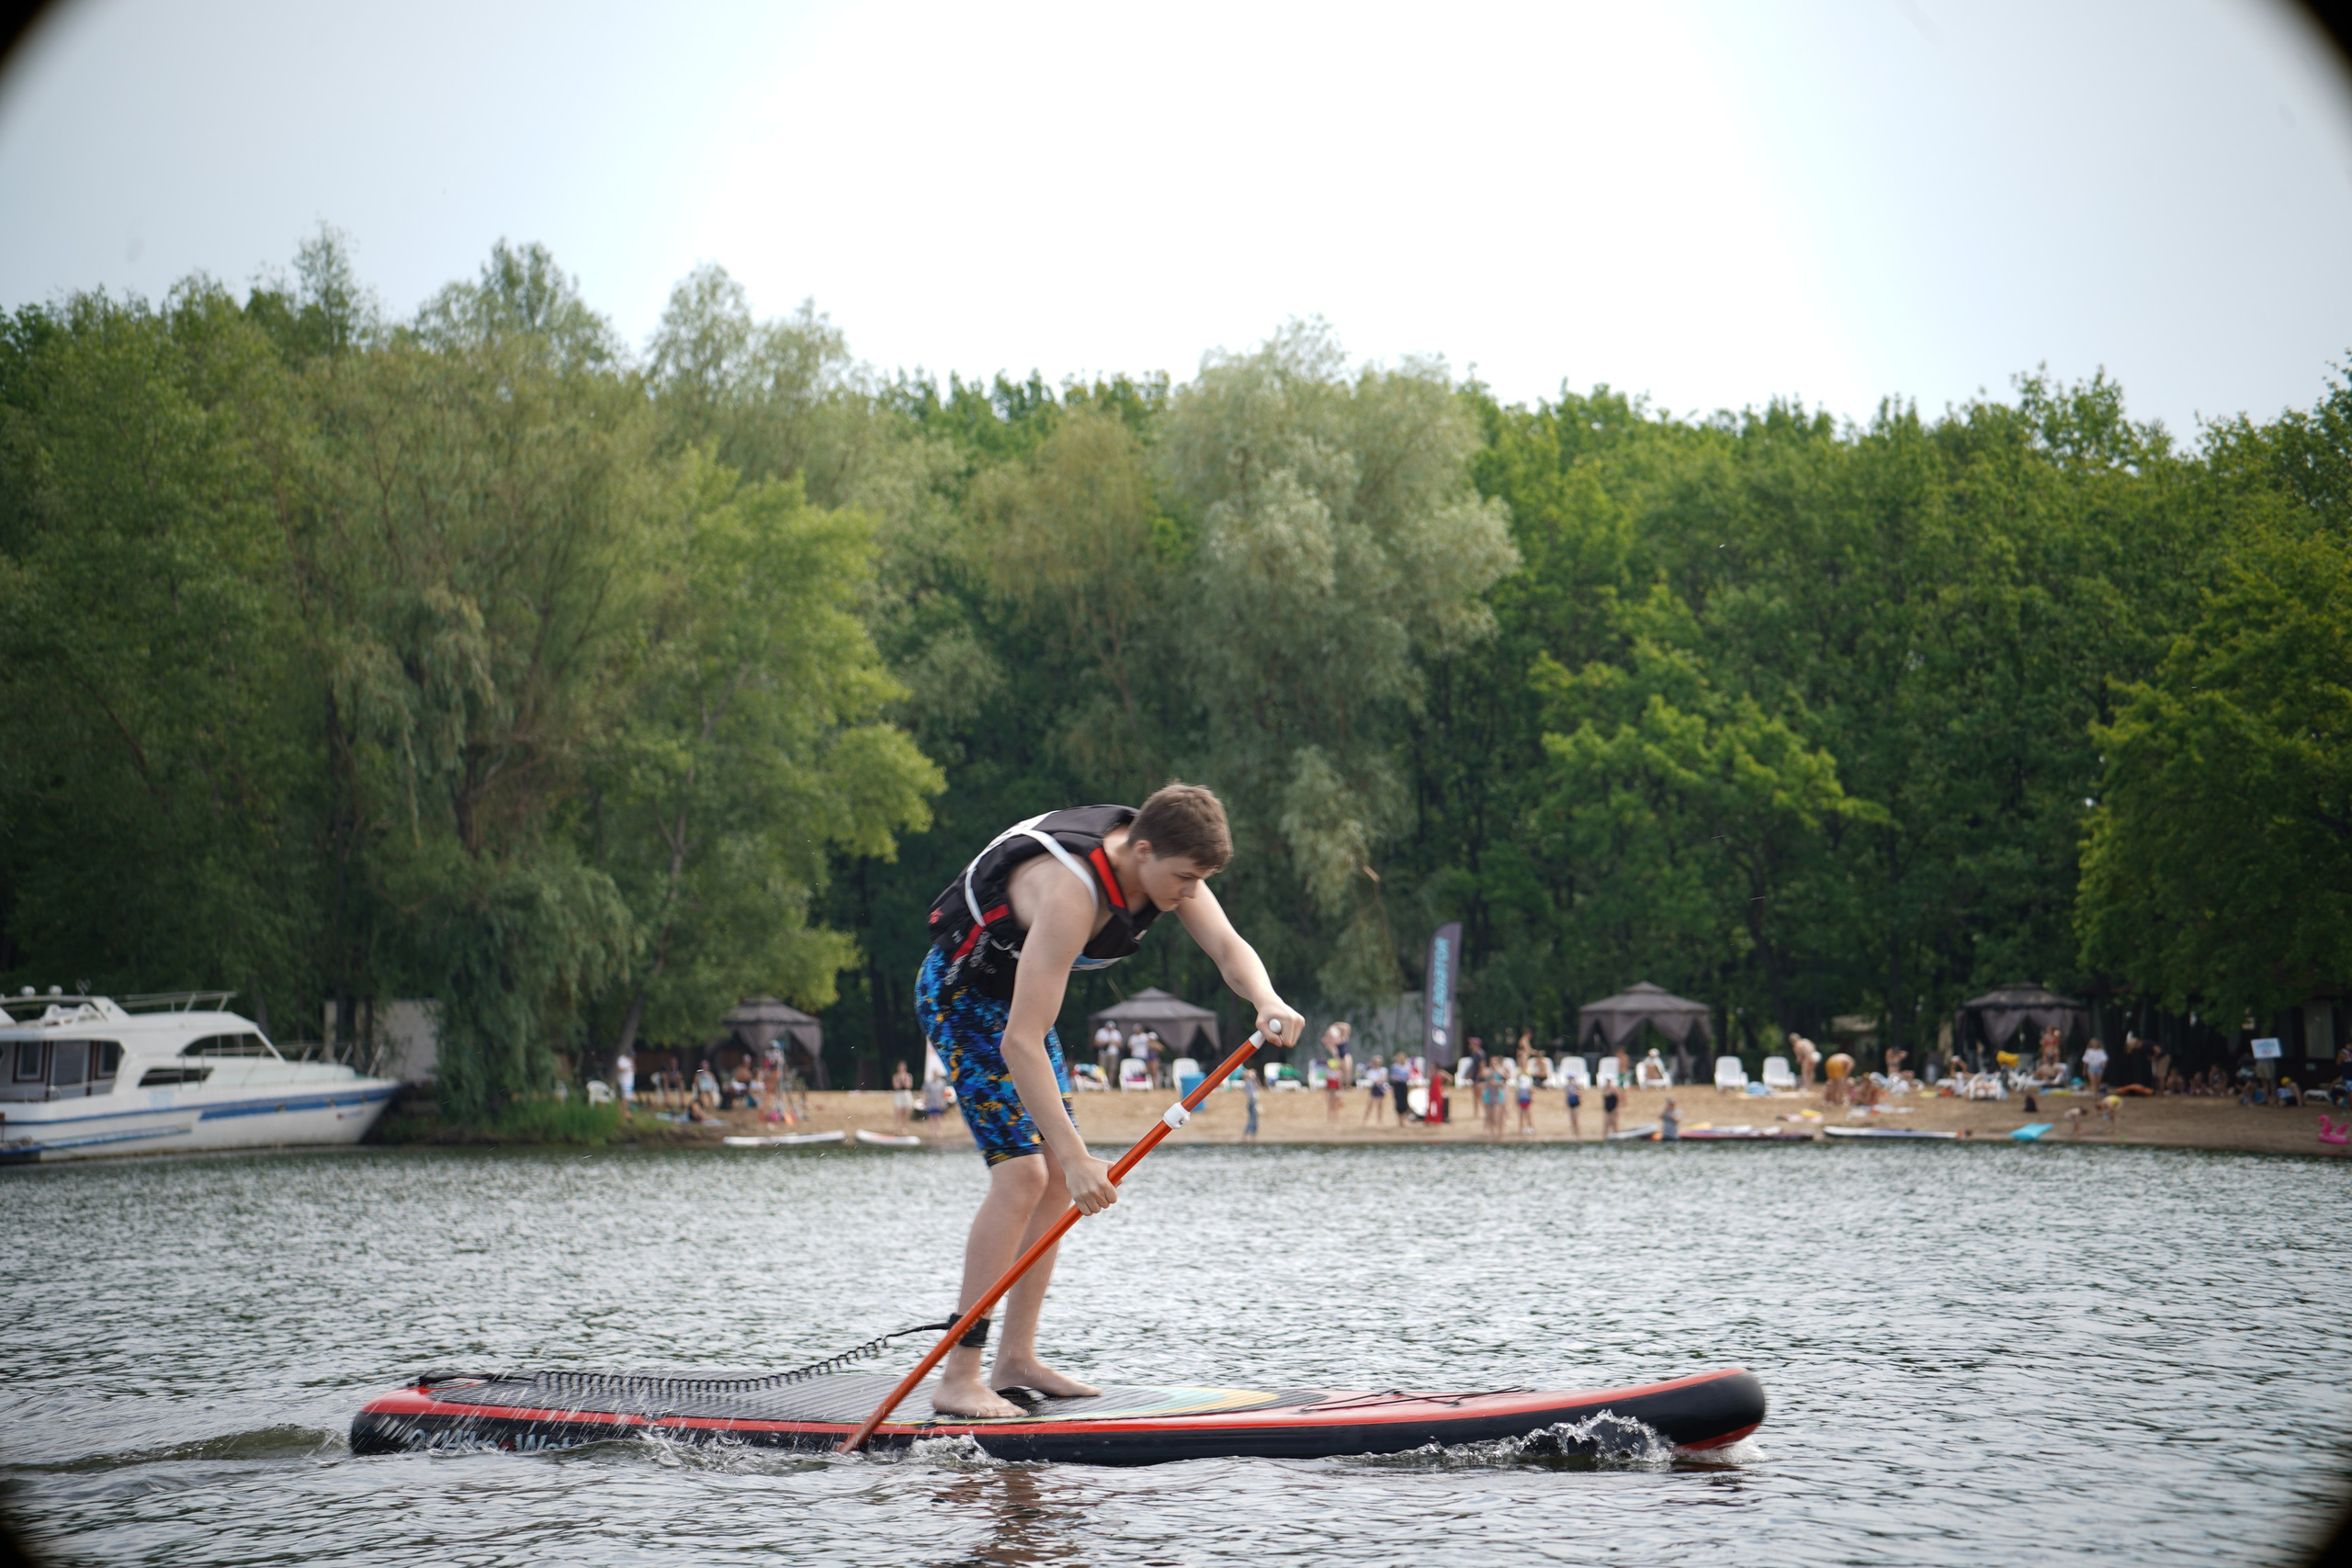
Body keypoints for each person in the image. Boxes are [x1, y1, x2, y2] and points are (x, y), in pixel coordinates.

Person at [915, 784, 1303, 1419]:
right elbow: (1019, 1040)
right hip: (963, 998)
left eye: (1197, 880)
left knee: (1054, 1184)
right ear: (1141, 849)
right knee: (1025, 1176)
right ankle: (958, 1377)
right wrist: (1074, 1156)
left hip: (1019, 1014)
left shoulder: (1165, 866)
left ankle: (1016, 1358)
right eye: (1183, 879)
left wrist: (1266, 999)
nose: (1187, 894)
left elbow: (1230, 950)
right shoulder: (1073, 894)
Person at [891, 1060, 915, 1131]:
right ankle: (896, 1127)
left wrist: (903, 1080)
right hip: (898, 1094)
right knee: (898, 1111)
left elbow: (908, 1086)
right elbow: (896, 1087)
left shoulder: (908, 1076)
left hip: (906, 1093)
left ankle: (904, 1127)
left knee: (906, 1111)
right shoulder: (895, 1076)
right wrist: (900, 1080)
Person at [1514, 1065, 1536, 1135]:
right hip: (1522, 1100)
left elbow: (1532, 1093)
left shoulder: (1527, 1087)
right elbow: (1517, 1094)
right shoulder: (1520, 1088)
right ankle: (1521, 1128)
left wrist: (1532, 1097)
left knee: (1528, 1114)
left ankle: (1530, 1127)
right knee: (1521, 1114)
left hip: (1526, 1100)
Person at [614, 1048, 635, 1118]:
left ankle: (624, 1113)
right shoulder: (621, 1059)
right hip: (624, 1082)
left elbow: (634, 1070)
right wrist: (627, 1067)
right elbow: (619, 1069)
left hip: (630, 1082)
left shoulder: (630, 1060)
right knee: (624, 1099)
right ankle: (622, 1113)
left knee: (627, 1099)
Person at [1242, 1064, 1261, 1143]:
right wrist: (1250, 1074)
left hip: (1253, 1101)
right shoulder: (1249, 1082)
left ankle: (1249, 1135)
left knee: (1254, 1119)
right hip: (1252, 1101)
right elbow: (1245, 1076)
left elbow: (1259, 1086)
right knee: (1252, 1119)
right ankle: (1248, 1135)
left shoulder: (1250, 1082)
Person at [1564, 1071, 1583, 1139]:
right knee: (1571, 1121)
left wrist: (1575, 1092)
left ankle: (1578, 1135)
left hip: (1576, 1104)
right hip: (1570, 1103)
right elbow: (1566, 1096)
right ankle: (1573, 1135)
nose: (1570, 1080)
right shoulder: (1567, 1086)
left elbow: (1580, 1094)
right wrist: (1566, 1105)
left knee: (1576, 1120)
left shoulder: (1577, 1086)